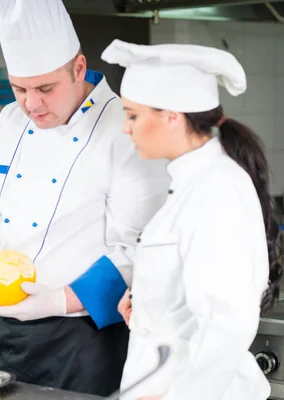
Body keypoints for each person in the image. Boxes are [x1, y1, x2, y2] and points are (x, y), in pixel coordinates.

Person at [0, 0, 170, 396]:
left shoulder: (123, 128)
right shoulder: (11, 120)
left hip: (84, 337)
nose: (31, 104)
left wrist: (59, 299)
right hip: (2, 328)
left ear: (79, 68)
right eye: (19, 88)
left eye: (45, 88)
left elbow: (141, 249)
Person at [102, 39, 282, 400]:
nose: (126, 128)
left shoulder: (217, 189)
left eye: (133, 114)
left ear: (171, 117)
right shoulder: (191, 183)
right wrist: (147, 303)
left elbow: (227, 323)